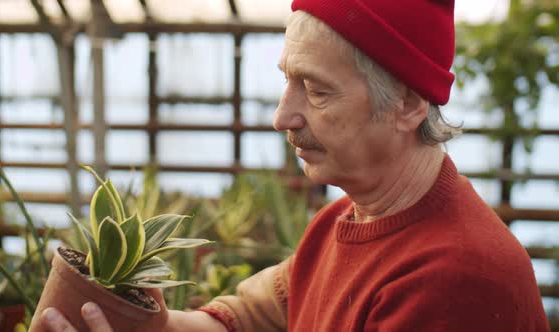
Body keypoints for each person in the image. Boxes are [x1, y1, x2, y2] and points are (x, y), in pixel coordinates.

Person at [38, 0, 550, 331]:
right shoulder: (344, 221)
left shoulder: (456, 278)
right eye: (288, 80)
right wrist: (152, 324)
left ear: (409, 103)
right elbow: (244, 320)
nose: (284, 115)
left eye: (318, 89)